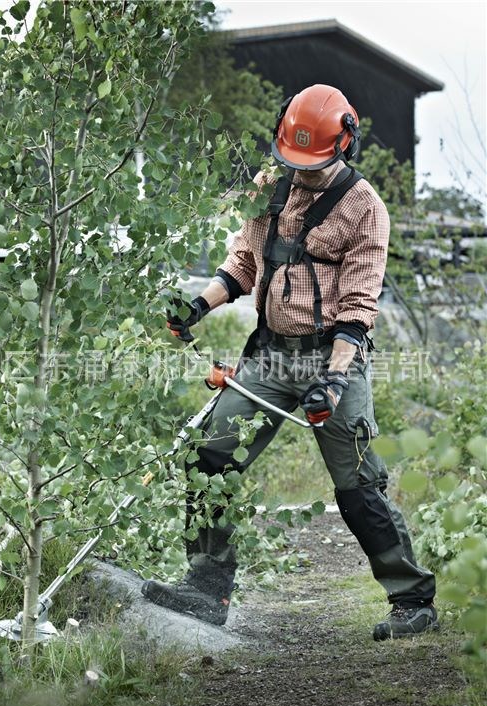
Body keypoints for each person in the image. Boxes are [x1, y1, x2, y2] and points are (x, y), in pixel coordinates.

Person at [141, 84, 438, 641]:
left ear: (343, 146)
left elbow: (357, 307)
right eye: (292, 160)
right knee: (209, 455)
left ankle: (412, 599)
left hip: (334, 360)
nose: (300, 172)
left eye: (312, 163)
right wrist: (197, 305)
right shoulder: (269, 185)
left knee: (356, 486)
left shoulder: (365, 208)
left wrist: (332, 381)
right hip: (271, 357)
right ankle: (206, 589)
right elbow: (245, 263)